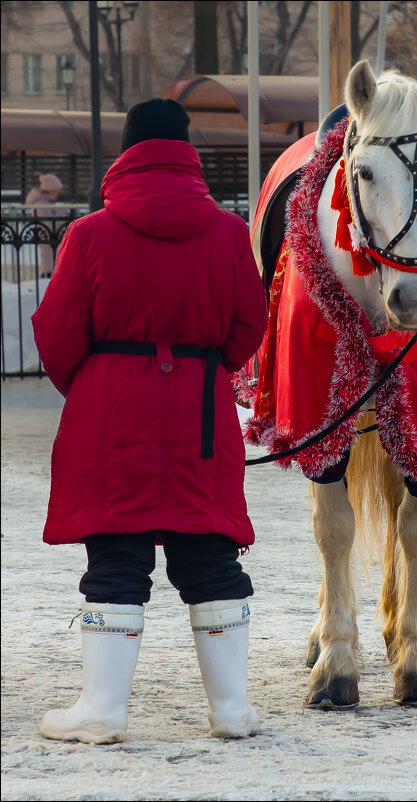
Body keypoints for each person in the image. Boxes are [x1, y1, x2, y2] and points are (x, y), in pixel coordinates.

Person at [31, 99, 268, 743]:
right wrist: (203, 367)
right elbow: (251, 323)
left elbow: (56, 334)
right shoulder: (226, 232)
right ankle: (231, 709)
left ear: (127, 153)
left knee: (116, 549)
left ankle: (102, 710)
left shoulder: (90, 234)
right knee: (210, 548)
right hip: (201, 409)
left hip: (113, 408)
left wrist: (96, 384)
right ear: (187, 152)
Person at [25, 173, 67, 277]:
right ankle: (48, 274)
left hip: (48, 243)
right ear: (51, 190)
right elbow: (50, 224)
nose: (57, 194)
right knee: (48, 254)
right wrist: (62, 212)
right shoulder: (43, 204)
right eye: (56, 191)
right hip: (48, 243)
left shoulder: (44, 203)